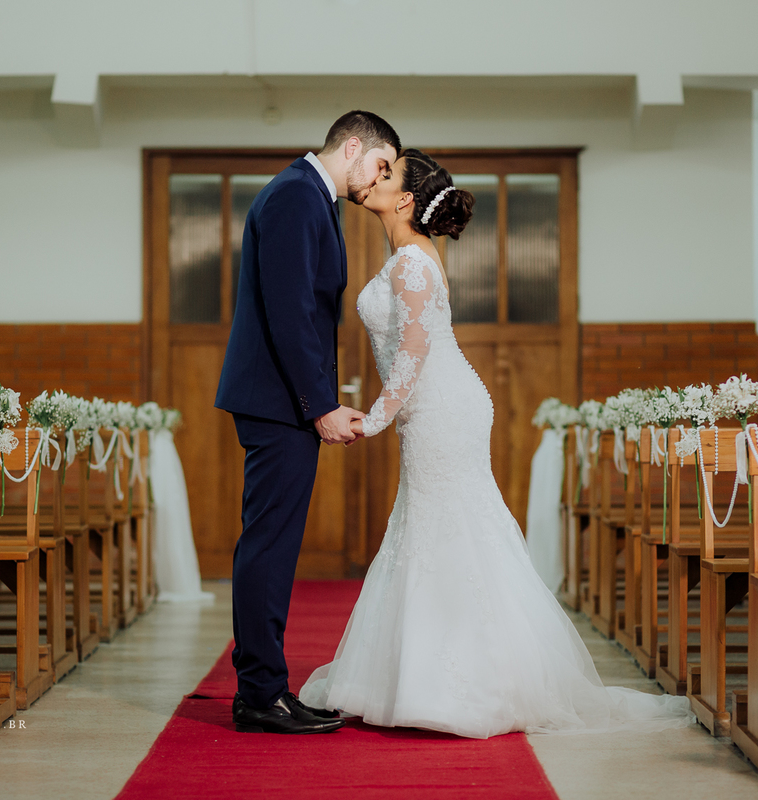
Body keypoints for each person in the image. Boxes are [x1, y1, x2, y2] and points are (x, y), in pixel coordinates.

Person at [298, 149, 695, 738]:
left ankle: (464, 682)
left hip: (440, 408)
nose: (373, 178)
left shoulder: (411, 262)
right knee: (432, 525)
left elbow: (412, 354)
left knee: (446, 526)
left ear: (405, 198)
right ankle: (434, 673)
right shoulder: (410, 254)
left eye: (386, 173)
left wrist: (375, 419)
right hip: (439, 405)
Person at [214, 110, 400, 735]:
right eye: (379, 166)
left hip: (277, 399)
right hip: (278, 403)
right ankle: (260, 694)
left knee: (273, 543)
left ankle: (267, 688)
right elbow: (292, 312)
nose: (378, 181)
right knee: (268, 545)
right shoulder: (296, 195)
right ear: (353, 147)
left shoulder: (306, 194)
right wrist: (320, 406)